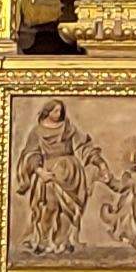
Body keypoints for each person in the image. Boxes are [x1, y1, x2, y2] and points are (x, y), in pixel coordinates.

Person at [15, 98, 94, 257]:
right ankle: (44, 240)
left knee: (68, 209)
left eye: (60, 111)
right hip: (48, 173)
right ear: (47, 111)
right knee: (49, 207)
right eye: (55, 110)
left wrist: (97, 161)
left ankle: (62, 242)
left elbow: (84, 145)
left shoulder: (68, 128)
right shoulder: (37, 131)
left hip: (70, 172)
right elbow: (31, 153)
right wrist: (39, 171)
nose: (58, 114)